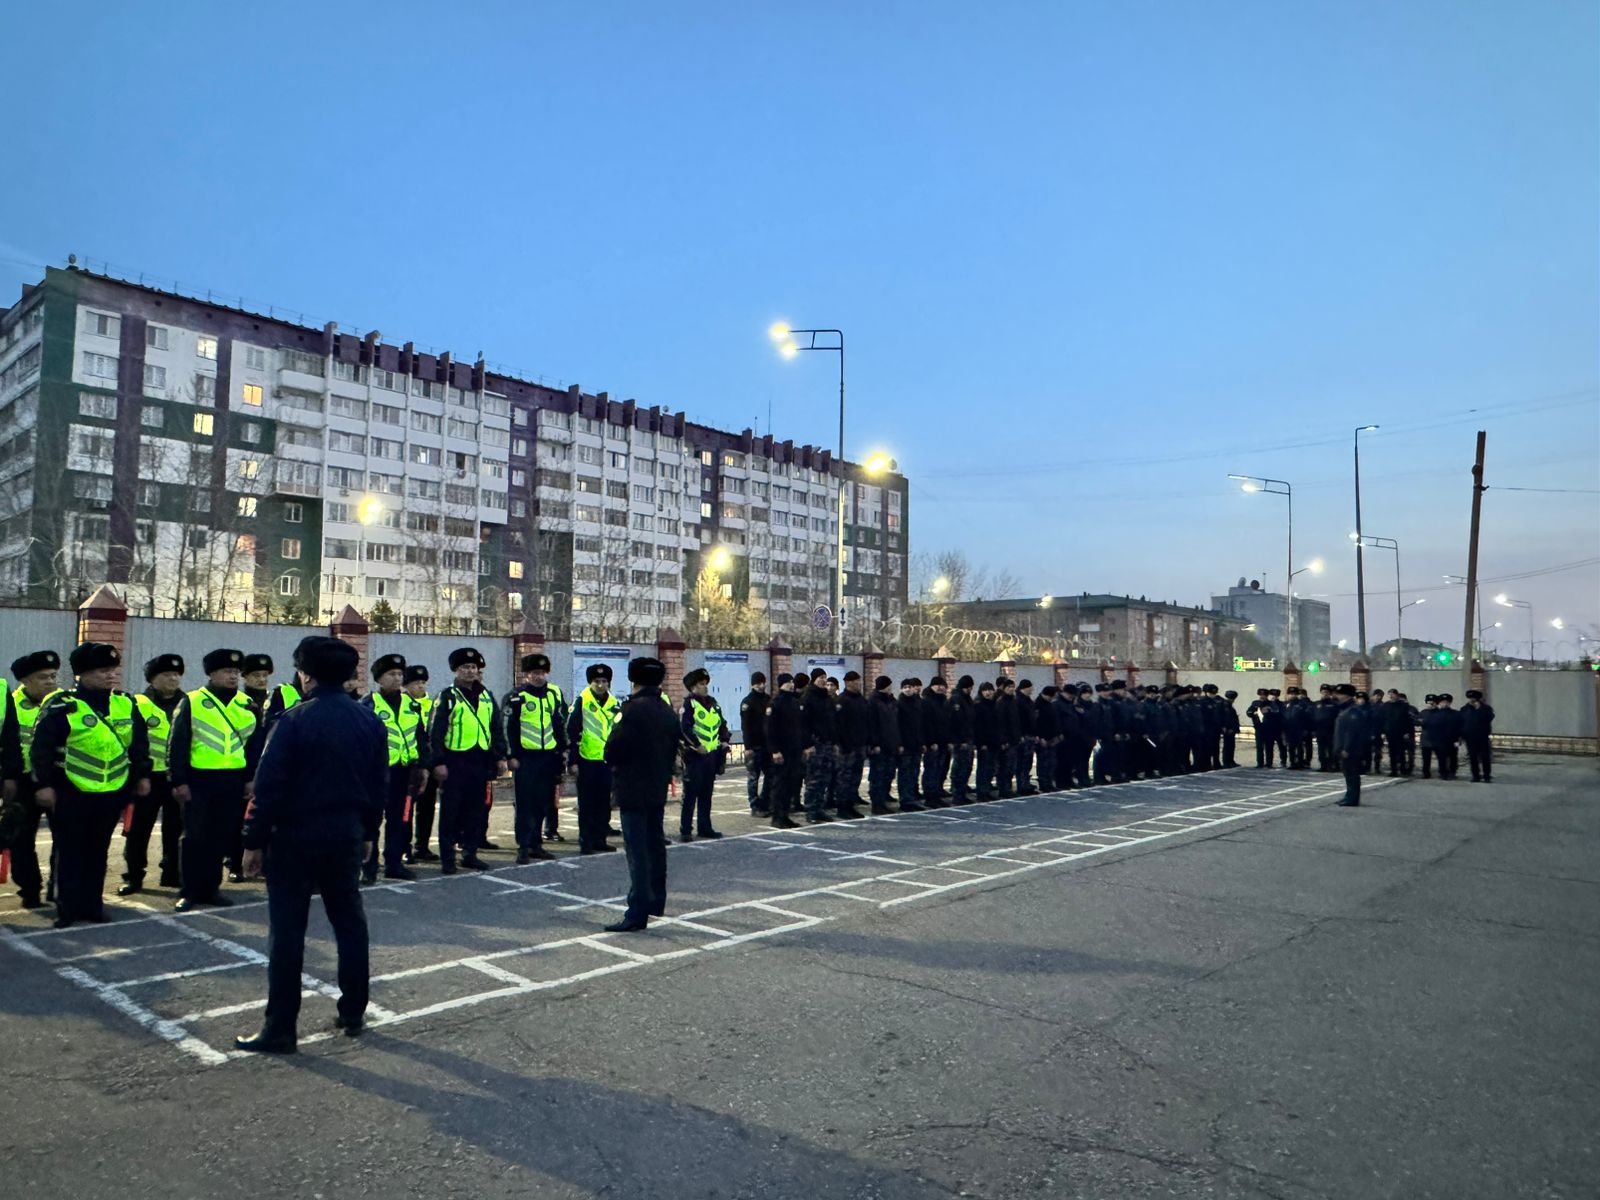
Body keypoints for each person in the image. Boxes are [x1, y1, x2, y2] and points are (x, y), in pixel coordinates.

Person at [234, 636, 387, 1054]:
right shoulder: (369, 721)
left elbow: (268, 788)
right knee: (349, 922)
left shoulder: (294, 720)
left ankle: (281, 1027)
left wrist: (253, 840)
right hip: (345, 834)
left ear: (305, 674)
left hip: (294, 836)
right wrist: (370, 833)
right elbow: (378, 786)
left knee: (288, 932)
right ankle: (353, 1008)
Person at [30, 642, 151, 927]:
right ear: (81, 675)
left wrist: (142, 775)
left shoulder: (125, 703)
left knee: (98, 852)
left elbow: (140, 746)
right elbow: (42, 749)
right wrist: (43, 785)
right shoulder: (63, 706)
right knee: (70, 851)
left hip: (112, 793)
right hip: (72, 791)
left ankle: (92, 905)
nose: (110, 676)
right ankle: (67, 908)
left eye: (112, 670)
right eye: (102, 671)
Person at [169, 648, 264, 910]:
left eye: (235, 672)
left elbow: (254, 747)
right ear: (212, 674)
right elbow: (177, 743)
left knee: (220, 836)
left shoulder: (246, 704)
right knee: (194, 837)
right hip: (199, 779)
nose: (232, 676)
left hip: (232, 781)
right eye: (226, 671)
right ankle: (189, 891)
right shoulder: (193, 701)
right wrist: (179, 780)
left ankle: (212, 889)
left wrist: (250, 779)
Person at [602, 657, 681, 933]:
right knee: (655, 844)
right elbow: (674, 745)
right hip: (657, 785)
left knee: (637, 850)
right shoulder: (666, 709)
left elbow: (614, 748)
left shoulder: (631, 710)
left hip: (632, 787)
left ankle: (638, 910)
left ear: (633, 680)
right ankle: (657, 899)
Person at [428, 648, 507, 874]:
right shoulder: (447, 696)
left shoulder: (486, 696)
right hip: (455, 761)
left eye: (473, 667)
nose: (470, 671)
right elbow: (436, 732)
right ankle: (447, 858)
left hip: (479, 761)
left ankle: (470, 854)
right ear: (456, 670)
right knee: (451, 812)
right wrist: (438, 762)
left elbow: (496, 728)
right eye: (465, 667)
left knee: (475, 810)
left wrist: (500, 756)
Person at [119, 653, 186, 895]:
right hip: (148, 778)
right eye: (167, 674)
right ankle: (134, 877)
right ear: (152, 679)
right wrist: (140, 775)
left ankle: (171, 874)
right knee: (138, 830)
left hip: (176, 777)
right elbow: (134, 743)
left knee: (175, 829)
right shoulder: (136, 703)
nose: (173, 679)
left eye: (177, 675)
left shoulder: (188, 703)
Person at [2, 649, 63, 909]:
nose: (50, 682)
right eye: (42, 677)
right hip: (23, 783)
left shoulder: (66, 704)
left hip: (57, 781)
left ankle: (58, 888)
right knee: (22, 840)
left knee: (64, 838)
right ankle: (30, 890)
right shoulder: (11, 705)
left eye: (53, 676)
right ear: (25, 681)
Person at [360, 653, 428, 882]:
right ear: (379, 679)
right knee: (372, 819)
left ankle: (394, 863)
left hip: (405, 772)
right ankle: (368, 867)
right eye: (392, 674)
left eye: (400, 674)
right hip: (377, 774)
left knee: (400, 819)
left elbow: (420, 737)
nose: (397, 678)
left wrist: (424, 767)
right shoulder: (368, 705)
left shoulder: (412, 705)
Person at [504, 653, 568, 862]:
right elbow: (508, 728)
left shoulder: (552, 695)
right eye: (534, 673)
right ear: (526, 675)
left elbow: (558, 724)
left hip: (547, 757)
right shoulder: (516, 697)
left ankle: (536, 844)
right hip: (525, 758)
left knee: (542, 803)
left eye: (541, 673)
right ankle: (523, 846)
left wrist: (563, 749)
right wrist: (511, 755)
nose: (538, 677)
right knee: (524, 804)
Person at [565, 663, 621, 855]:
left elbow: (618, 731)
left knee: (604, 802)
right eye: (597, 681)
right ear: (590, 682)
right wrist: (572, 761)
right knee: (587, 803)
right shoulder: (582, 701)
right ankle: (586, 841)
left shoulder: (614, 703)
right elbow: (572, 731)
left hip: (606, 760)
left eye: (604, 681)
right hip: (586, 759)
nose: (600, 685)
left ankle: (600, 839)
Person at [678, 668, 729, 841]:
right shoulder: (689, 704)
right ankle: (685, 830)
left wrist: (724, 740)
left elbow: (722, 724)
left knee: (707, 793)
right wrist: (697, 745)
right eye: (701, 684)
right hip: (695, 756)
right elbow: (684, 728)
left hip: (712, 756)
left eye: (706, 683)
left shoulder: (713, 703)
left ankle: (705, 827)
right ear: (693, 687)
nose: (705, 687)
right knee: (691, 794)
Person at [402, 665, 438, 862]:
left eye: (423, 683)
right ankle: (404, 847)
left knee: (427, 807)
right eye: (416, 683)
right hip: (409, 763)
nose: (420, 687)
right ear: (406, 686)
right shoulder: (403, 703)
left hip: (428, 762)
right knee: (406, 808)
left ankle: (422, 846)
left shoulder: (432, 704)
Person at [801, 666, 840, 823]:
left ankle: (819, 808)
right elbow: (803, 724)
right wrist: (808, 744)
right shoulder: (808, 698)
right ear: (814, 679)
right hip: (815, 744)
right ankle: (811, 810)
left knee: (825, 778)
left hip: (827, 743)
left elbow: (832, 722)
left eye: (825, 677)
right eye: (820, 678)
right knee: (813, 779)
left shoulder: (827, 698)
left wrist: (834, 741)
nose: (824, 680)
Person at [766, 674, 804, 828]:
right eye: (789, 682)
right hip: (781, 750)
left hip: (794, 749)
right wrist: (774, 750)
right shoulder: (776, 703)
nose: (792, 684)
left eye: (792, 682)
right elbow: (770, 729)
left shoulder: (794, 701)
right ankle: (777, 816)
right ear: (782, 684)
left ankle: (785, 815)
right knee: (780, 785)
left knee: (791, 783)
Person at [833, 671, 871, 819]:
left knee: (855, 777)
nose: (858, 684)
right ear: (848, 683)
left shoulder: (861, 699)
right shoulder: (842, 700)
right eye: (855, 682)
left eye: (859, 681)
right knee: (844, 778)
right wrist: (842, 744)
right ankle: (842, 807)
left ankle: (851, 805)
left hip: (859, 745)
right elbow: (838, 725)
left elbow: (866, 722)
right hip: (846, 747)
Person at [739, 672, 772, 817]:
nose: (762, 685)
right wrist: (748, 747)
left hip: (767, 745)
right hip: (754, 745)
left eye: (763, 682)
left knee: (770, 775)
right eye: (758, 683)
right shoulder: (748, 702)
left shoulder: (768, 699)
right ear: (753, 684)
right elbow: (745, 726)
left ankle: (764, 802)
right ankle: (754, 805)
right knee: (753, 777)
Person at [866, 675, 900, 814]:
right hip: (879, 745)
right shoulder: (874, 701)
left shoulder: (891, 700)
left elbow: (895, 723)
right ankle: (877, 804)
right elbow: (871, 724)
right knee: (877, 776)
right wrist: (874, 743)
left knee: (888, 774)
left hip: (890, 743)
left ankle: (883, 801)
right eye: (889, 685)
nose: (890, 688)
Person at [1333, 684, 1368, 807]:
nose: (1337, 696)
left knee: (1352, 773)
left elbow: (1351, 732)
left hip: (1350, 749)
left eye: (1339, 694)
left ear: (1347, 696)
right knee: (1347, 773)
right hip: (1343, 747)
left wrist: (1346, 748)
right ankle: (1349, 795)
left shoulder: (1353, 711)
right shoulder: (1345, 709)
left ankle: (1352, 798)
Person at [919, 677, 952, 807]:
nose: (940, 687)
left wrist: (948, 740)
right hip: (933, 743)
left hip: (943, 742)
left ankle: (937, 794)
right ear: (931, 686)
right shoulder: (927, 701)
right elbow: (926, 724)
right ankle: (930, 796)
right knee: (931, 770)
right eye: (937, 685)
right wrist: (931, 741)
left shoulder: (943, 701)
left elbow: (947, 723)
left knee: (940, 770)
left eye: (943, 685)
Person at [896, 677, 924, 810]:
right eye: (905, 687)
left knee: (914, 772)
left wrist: (922, 742)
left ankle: (912, 798)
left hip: (916, 744)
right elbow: (896, 726)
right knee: (905, 773)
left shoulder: (918, 703)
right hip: (905, 745)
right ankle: (905, 800)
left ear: (914, 689)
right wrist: (899, 743)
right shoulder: (898, 704)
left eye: (910, 687)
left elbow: (922, 725)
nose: (908, 689)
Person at [972, 681, 999, 802]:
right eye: (986, 690)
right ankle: (981, 792)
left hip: (993, 741)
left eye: (990, 690)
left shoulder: (993, 704)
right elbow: (977, 727)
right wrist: (980, 743)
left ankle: (987, 789)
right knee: (983, 768)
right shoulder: (978, 705)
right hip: (984, 743)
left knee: (991, 768)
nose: (988, 692)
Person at [1461, 689, 1495, 782]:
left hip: (1482, 736)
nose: (1471, 700)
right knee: (1473, 758)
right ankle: (1475, 775)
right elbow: (1461, 722)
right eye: (1470, 698)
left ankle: (1486, 775)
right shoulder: (1464, 709)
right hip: (1469, 737)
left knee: (1485, 757)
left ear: (1478, 699)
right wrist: (1462, 735)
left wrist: (1479, 709)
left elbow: (1489, 718)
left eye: (1474, 699)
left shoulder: (1486, 708)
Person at [1220, 690, 1241, 768]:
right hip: (1228, 729)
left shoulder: (1229, 705)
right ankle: (1226, 761)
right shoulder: (1226, 705)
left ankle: (1230, 761)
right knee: (1227, 745)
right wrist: (1228, 727)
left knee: (1231, 745)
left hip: (1231, 729)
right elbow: (1226, 718)